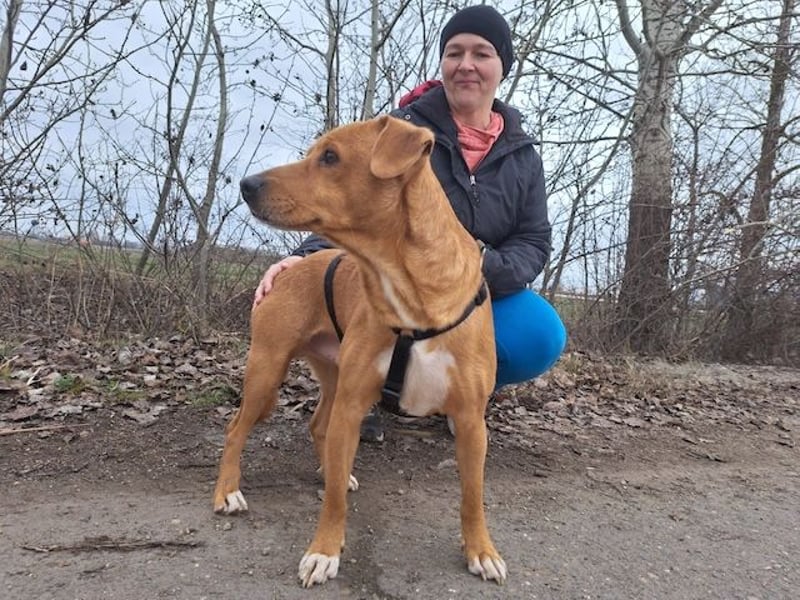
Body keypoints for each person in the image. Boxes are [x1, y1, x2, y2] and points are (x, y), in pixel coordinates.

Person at [253, 4, 567, 437]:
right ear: (442, 63)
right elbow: (346, 202)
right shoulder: (399, 132)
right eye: (454, 53)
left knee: (540, 333)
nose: (466, 65)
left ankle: (460, 393)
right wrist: (302, 258)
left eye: (482, 53)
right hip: (396, 284)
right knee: (378, 298)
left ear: (502, 67)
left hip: (478, 288)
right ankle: (371, 391)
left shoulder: (523, 155)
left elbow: (533, 241)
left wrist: (474, 268)